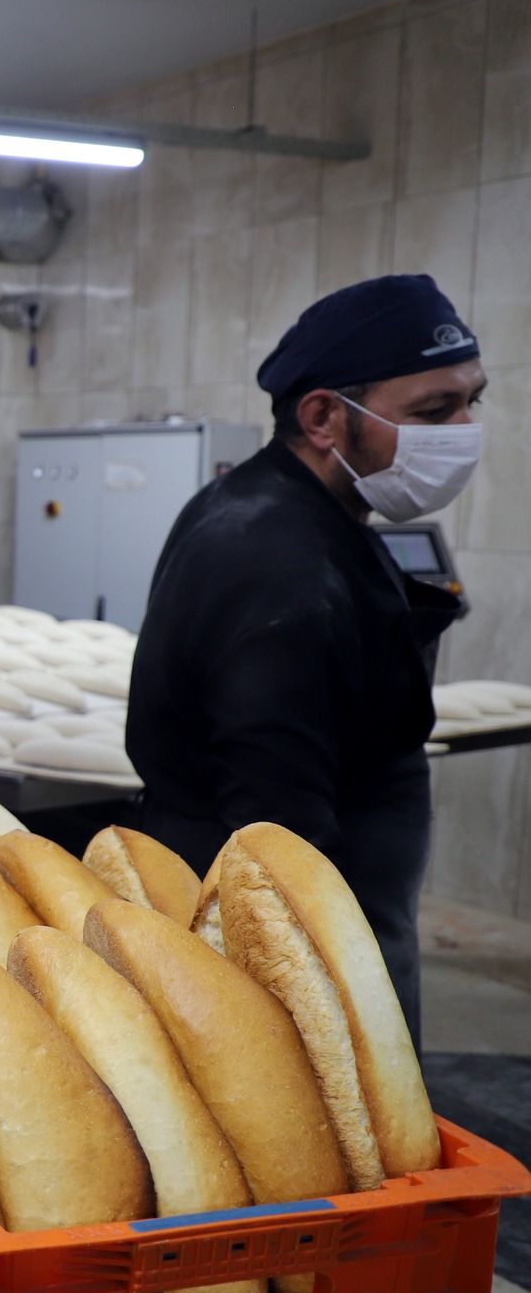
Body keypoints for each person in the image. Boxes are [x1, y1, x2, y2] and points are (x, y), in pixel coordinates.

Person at [128, 274, 483, 1044]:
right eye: (433, 411)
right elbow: (276, 828)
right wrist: (318, 996)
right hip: (304, 933)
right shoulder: (273, 559)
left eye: (470, 403)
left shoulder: (300, 511)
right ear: (323, 416)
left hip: (351, 905)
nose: (463, 429)